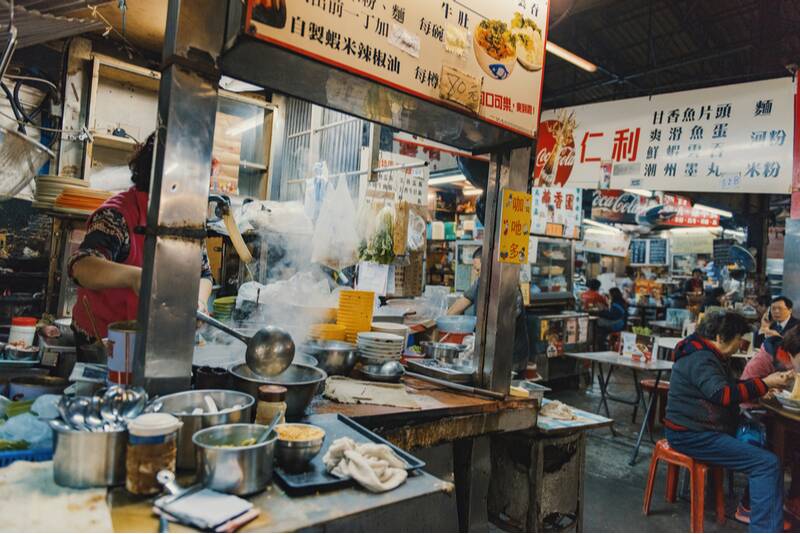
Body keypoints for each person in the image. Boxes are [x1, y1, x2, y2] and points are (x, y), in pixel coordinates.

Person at [69, 133, 214, 353]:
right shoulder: (117, 215)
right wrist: (135, 277)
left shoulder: (184, 217)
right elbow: (82, 265)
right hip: (103, 343)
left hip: (156, 341)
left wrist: (200, 304)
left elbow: (203, 274)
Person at [664, 311, 795, 532]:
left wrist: (761, 389)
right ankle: (764, 526)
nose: (740, 346)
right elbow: (722, 394)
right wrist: (762, 383)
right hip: (692, 434)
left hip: (701, 430)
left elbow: (727, 387)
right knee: (767, 463)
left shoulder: (706, 353)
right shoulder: (700, 358)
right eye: (738, 340)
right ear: (720, 338)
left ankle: (760, 512)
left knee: (769, 446)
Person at [736, 326, 800, 524]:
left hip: (786, 417)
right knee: (777, 448)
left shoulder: (793, 362)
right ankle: (748, 505)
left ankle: (793, 500)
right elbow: (741, 395)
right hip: (751, 417)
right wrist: (764, 389)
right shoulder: (764, 360)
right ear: (793, 352)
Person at [448, 248, 482, 316]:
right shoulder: (479, 283)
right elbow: (455, 309)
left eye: (478, 270)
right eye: (474, 269)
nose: (476, 273)